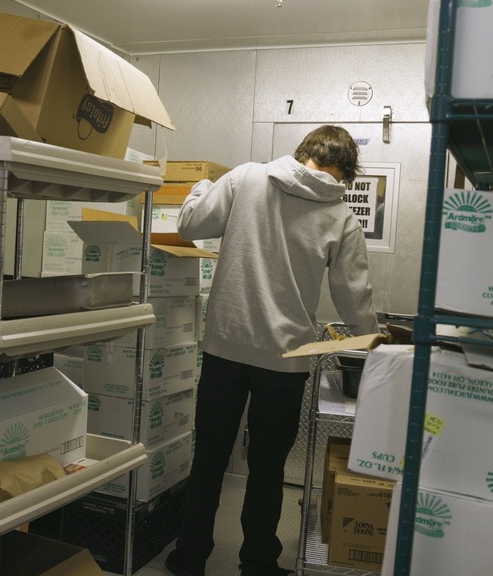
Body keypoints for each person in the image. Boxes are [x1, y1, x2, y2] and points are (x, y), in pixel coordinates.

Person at [165, 125, 380, 576]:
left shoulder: (246, 178)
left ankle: (189, 560)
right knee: (267, 467)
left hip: (226, 347)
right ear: (345, 171)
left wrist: (201, 187)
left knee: (209, 460)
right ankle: (258, 563)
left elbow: (188, 226)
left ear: (303, 152)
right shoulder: (341, 216)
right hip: (286, 360)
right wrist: (375, 343)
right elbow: (352, 296)